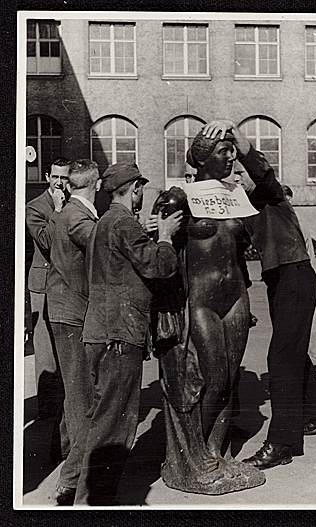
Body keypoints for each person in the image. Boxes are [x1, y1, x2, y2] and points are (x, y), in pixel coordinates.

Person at [203, 121, 316, 471]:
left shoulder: (271, 192)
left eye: (240, 175)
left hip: (295, 276)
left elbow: (259, 167)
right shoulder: (248, 204)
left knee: (280, 360)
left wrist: (234, 133)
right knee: (291, 351)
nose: (237, 179)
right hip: (281, 280)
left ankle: (282, 443)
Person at [148, 121, 269, 494]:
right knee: (212, 379)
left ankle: (217, 454)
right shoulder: (179, 195)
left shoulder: (234, 195)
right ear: (202, 158)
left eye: (233, 150)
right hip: (200, 301)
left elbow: (245, 243)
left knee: (230, 380)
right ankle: (193, 456)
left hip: (235, 296)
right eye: (223, 151)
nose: (231, 157)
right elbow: (157, 244)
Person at [54, 162, 182, 506]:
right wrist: (166, 236)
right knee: (116, 425)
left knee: (99, 416)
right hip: (120, 336)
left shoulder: (106, 222)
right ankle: (95, 502)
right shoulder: (124, 223)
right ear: (136, 188)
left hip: (98, 332)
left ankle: (71, 486)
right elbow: (159, 266)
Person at [46, 160, 101, 463]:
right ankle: (79, 466)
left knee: (76, 385)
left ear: (69, 184)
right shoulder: (79, 217)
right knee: (80, 390)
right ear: (99, 184)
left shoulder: (67, 212)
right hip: (71, 313)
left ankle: (66, 450)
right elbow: (103, 245)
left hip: (65, 310)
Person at [26, 157, 70, 461]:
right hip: (43, 288)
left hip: (68, 285)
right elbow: (48, 241)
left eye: (64, 178)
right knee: (47, 355)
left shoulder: (72, 203)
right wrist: (57, 209)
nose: (59, 183)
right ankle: (48, 420)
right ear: (46, 176)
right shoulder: (36, 207)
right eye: (55, 177)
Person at [282, 185, 316, 372]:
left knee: (306, 320)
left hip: (302, 274)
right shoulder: (291, 219)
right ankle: (313, 359)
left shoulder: (292, 221)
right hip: (305, 274)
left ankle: (313, 359)